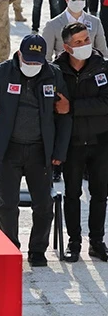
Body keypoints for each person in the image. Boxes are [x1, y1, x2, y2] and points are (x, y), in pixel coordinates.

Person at [0, 34, 72, 267]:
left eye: (36, 62)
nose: (32, 66)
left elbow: (64, 117)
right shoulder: (1, 73)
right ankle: (10, 250)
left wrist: (59, 152)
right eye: (28, 61)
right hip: (7, 150)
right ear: (19, 55)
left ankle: (37, 251)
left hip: (40, 151)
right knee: (7, 204)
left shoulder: (53, 74)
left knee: (43, 204)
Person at [52, 23, 108, 262]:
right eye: (78, 42)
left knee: (100, 194)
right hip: (72, 142)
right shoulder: (55, 71)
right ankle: (73, 242)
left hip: (101, 140)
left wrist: (72, 107)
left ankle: (97, 241)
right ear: (66, 47)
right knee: (72, 193)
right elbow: (54, 107)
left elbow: (106, 104)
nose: (85, 45)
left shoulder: (102, 67)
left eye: (87, 40)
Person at [43, 0, 108, 62]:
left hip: (91, 69)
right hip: (63, 69)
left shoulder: (95, 22)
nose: (78, 1)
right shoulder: (52, 25)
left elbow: (103, 53)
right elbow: (46, 58)